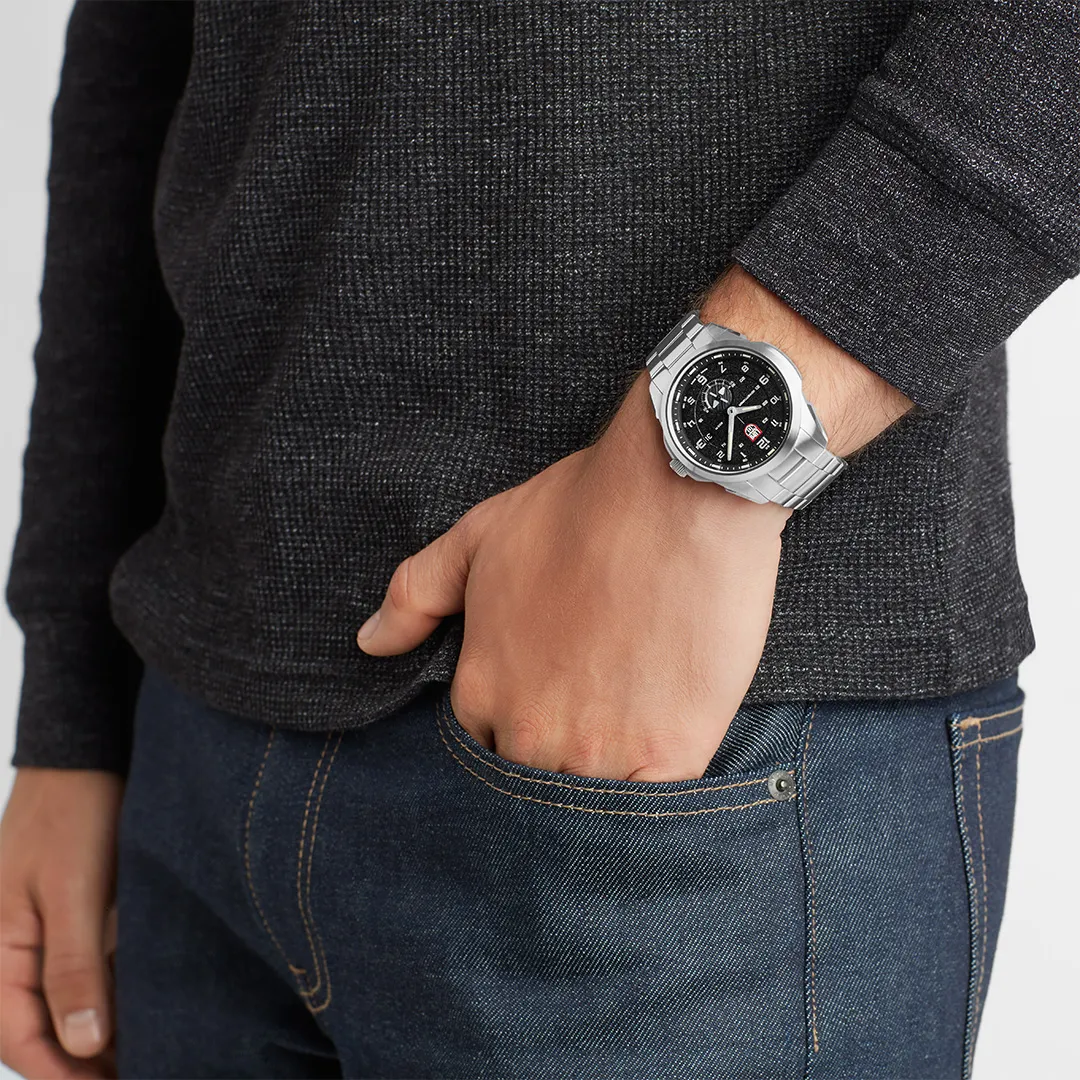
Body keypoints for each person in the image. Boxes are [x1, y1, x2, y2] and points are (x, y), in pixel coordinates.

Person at [1, 2, 1076, 1078]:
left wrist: (687, 483)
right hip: (192, 731)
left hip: (690, 745)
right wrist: (72, 704)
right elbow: (136, 52)